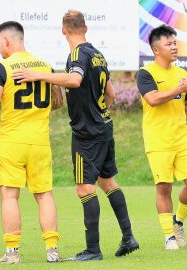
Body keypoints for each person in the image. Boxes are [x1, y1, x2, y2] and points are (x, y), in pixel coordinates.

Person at [12, 10, 139, 261]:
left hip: (86, 133)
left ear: (63, 30)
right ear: (86, 28)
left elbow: (74, 79)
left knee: (84, 188)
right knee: (108, 182)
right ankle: (128, 236)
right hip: (103, 126)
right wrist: (98, 112)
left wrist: (39, 75)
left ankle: (93, 250)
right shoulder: (97, 55)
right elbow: (111, 95)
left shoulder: (77, 55)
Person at [0, 21, 63, 264]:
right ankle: (52, 250)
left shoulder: (2, 67)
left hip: (12, 142)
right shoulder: (44, 65)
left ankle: (12, 253)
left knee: (9, 197)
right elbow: (57, 102)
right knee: (45, 195)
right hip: (40, 142)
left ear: (6, 41)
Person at [136, 25, 187, 250]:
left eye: (175, 43)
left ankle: (177, 221)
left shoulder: (181, 74)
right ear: (156, 49)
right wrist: (178, 88)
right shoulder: (146, 73)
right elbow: (153, 99)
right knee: (164, 187)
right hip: (157, 140)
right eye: (169, 44)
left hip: (182, 138)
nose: (174, 47)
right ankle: (169, 235)